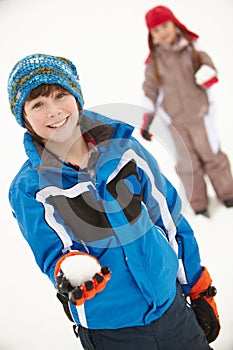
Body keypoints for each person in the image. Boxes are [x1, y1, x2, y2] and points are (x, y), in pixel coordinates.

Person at [8, 53, 220, 350]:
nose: (53, 110)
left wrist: (197, 287)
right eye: (38, 104)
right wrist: (69, 271)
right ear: (25, 118)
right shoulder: (30, 189)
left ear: (76, 96)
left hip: (171, 308)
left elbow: (169, 219)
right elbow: (54, 253)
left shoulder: (124, 151)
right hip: (110, 330)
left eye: (60, 95)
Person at [140, 5, 233, 217]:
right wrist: (148, 118)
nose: (161, 32)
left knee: (212, 156)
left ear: (174, 24)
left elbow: (208, 67)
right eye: (156, 30)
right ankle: (199, 204)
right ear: (151, 36)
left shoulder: (192, 50)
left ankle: (228, 193)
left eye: (164, 26)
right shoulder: (153, 64)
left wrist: (207, 74)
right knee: (187, 164)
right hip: (174, 122)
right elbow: (150, 91)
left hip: (200, 116)